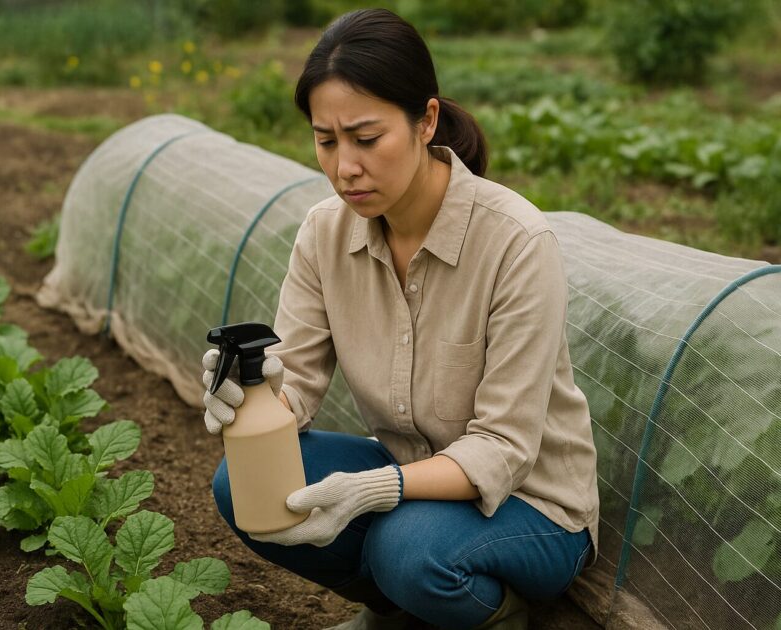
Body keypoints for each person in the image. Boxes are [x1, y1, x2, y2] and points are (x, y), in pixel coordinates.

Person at [202, 8, 599, 630]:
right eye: (326, 141)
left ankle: (498, 614)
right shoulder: (325, 233)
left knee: (406, 548)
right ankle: (396, 611)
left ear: (426, 121)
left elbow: (502, 449)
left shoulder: (516, 242)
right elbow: (295, 385)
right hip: (412, 477)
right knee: (245, 485)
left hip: (532, 506)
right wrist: (249, 394)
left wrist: (374, 489)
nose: (345, 167)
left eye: (366, 139)